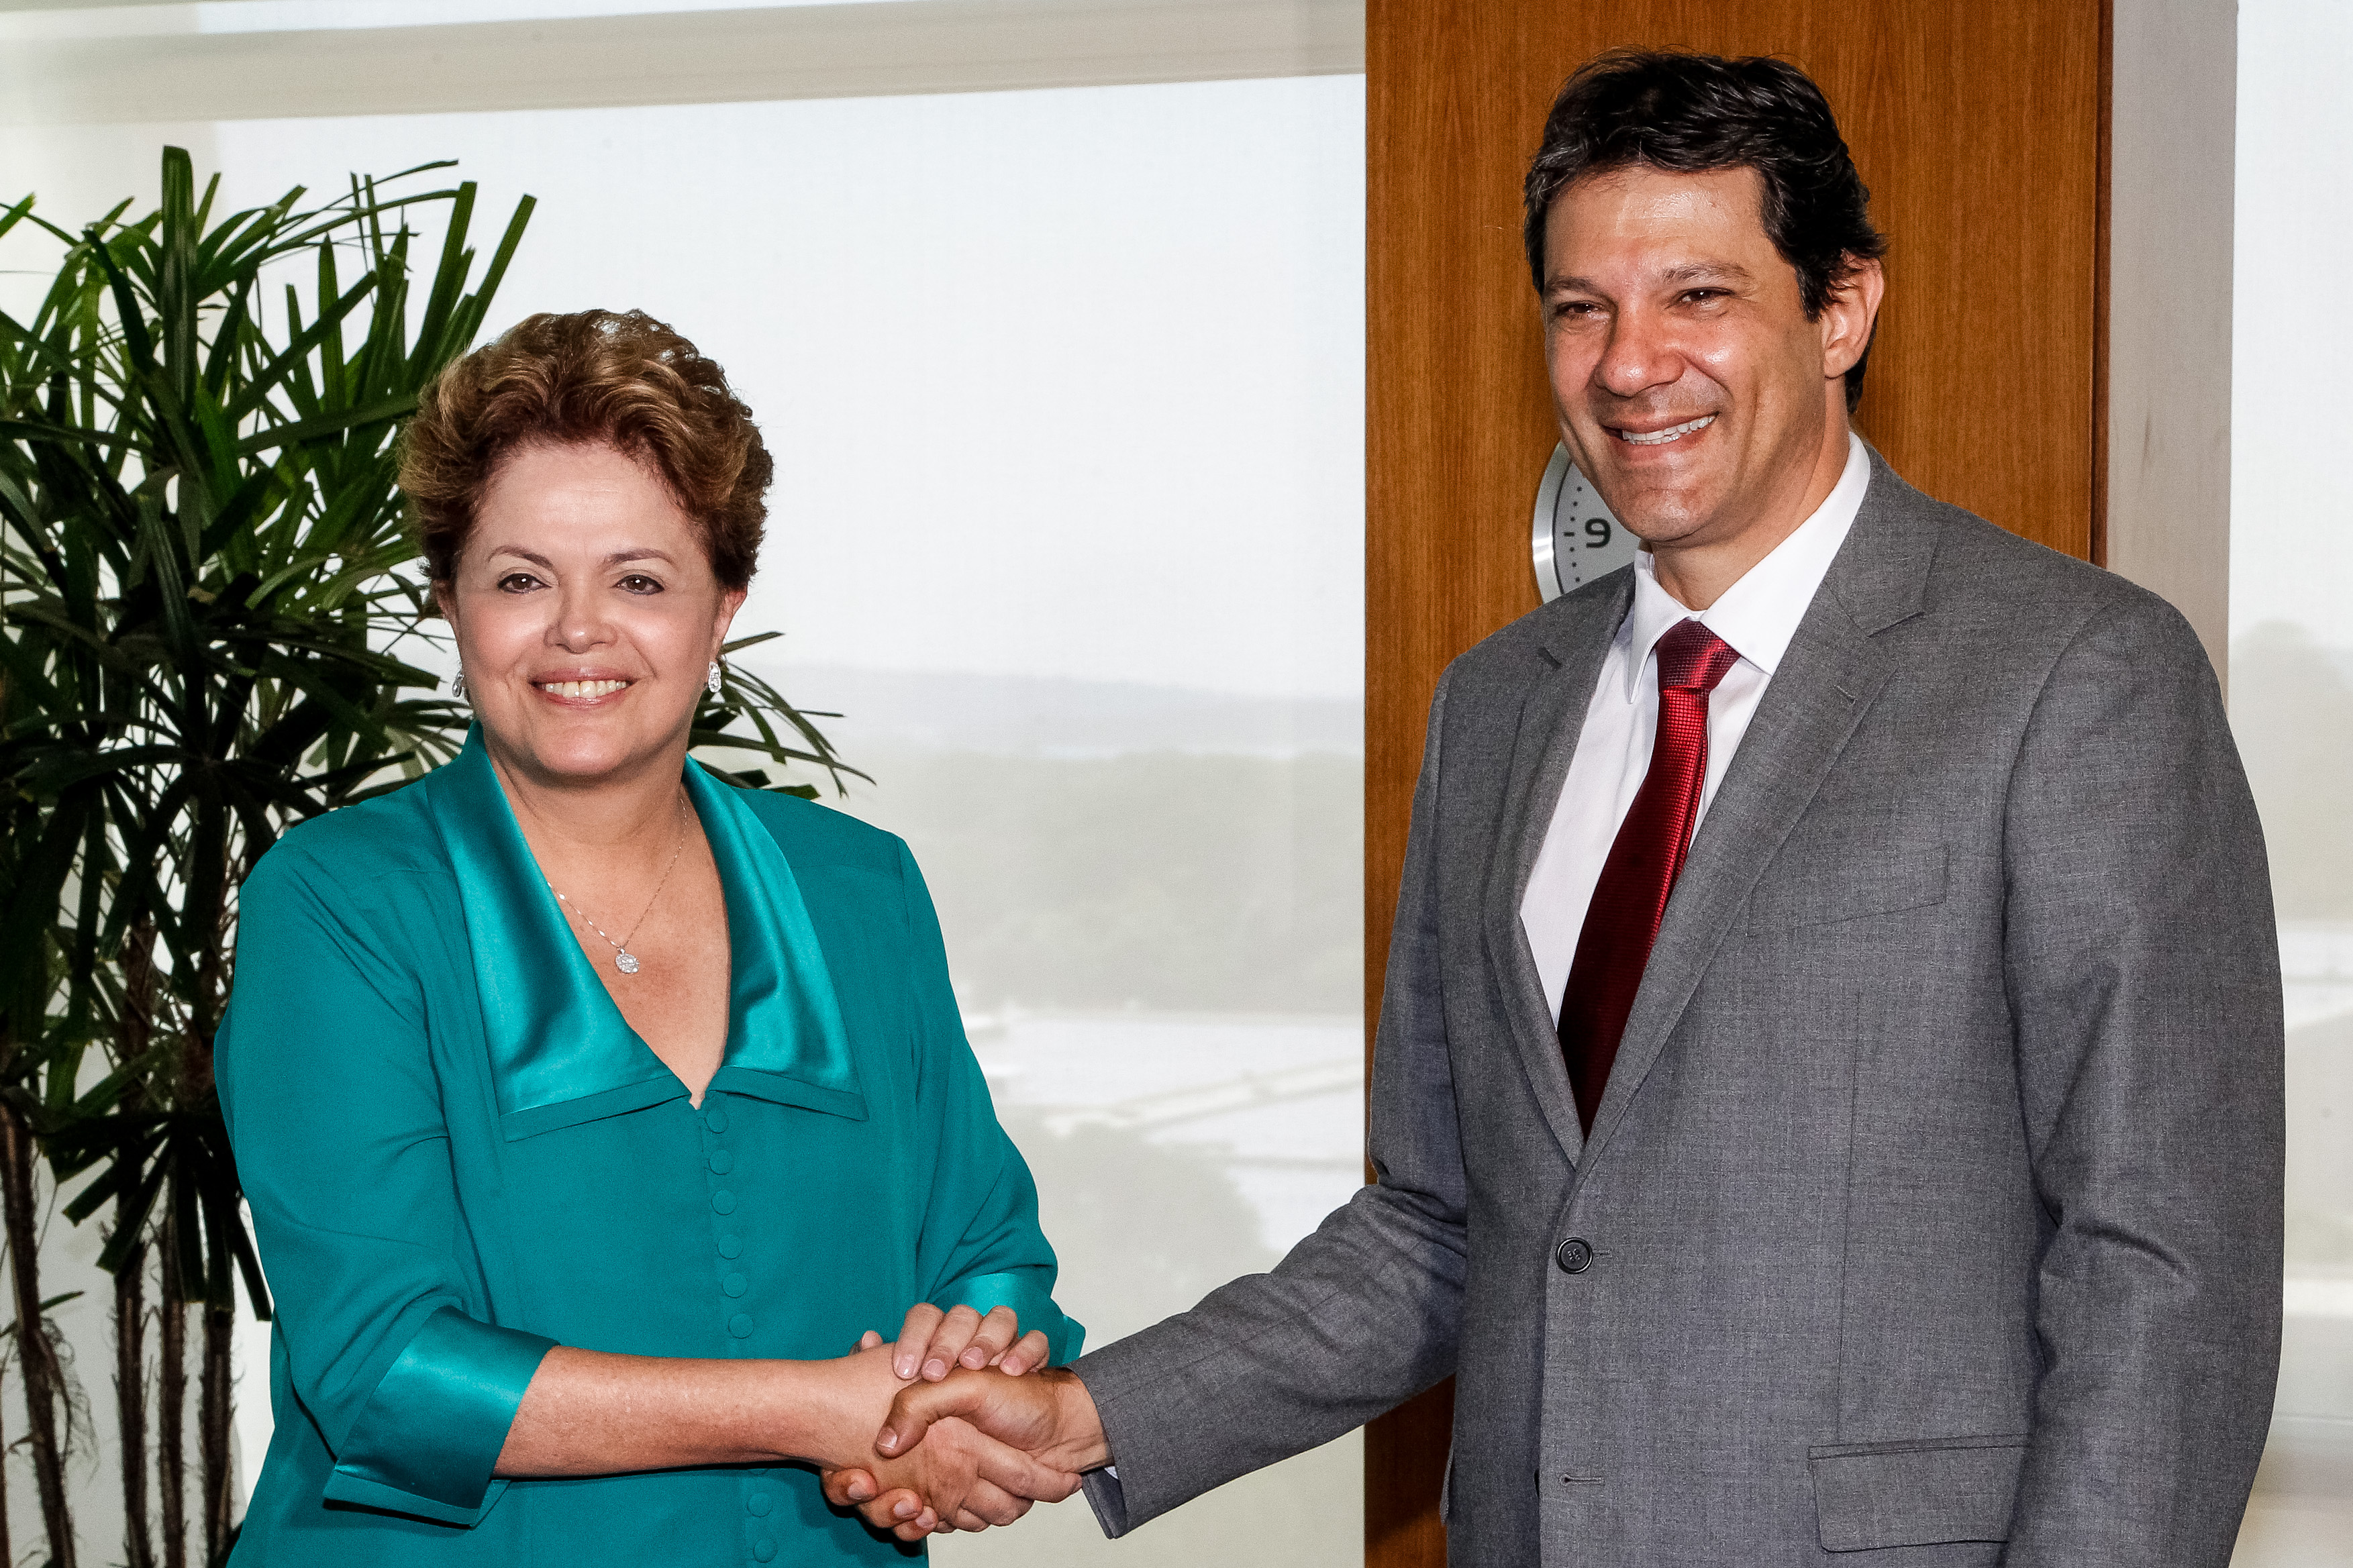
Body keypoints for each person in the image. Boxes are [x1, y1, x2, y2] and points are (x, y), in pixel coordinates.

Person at [846, 50, 2287, 1565]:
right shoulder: (1496, 708)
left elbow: (2164, 1266)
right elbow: (1442, 1223)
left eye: (1699, 297)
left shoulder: (2078, 676)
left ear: (1841, 308)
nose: (1628, 362)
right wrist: (1090, 1414)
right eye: (1580, 307)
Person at [217, 308, 1085, 1563]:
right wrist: (825, 1409)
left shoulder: (862, 887)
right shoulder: (340, 901)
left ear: (722, 607)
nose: (580, 630)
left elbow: (988, 1252)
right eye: (521, 579)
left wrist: (960, 1399)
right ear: (450, 603)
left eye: (639, 578)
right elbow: (384, 1365)